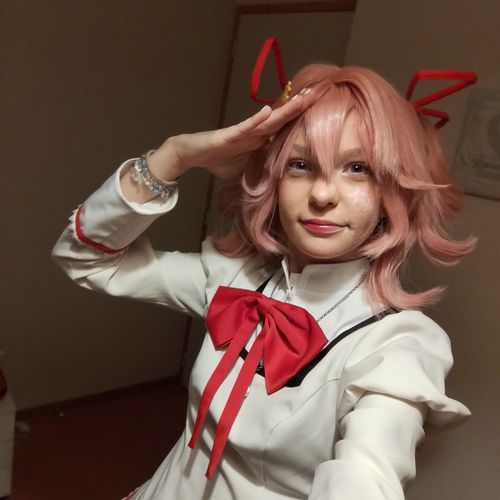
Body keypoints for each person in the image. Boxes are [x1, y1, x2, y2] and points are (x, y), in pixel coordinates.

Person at [52, 60, 476, 500]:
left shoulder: (397, 345)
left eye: (357, 168)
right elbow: (86, 259)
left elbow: (366, 474)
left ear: (393, 191)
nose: (322, 194)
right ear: (275, 178)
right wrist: (175, 156)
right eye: (300, 164)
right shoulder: (233, 277)